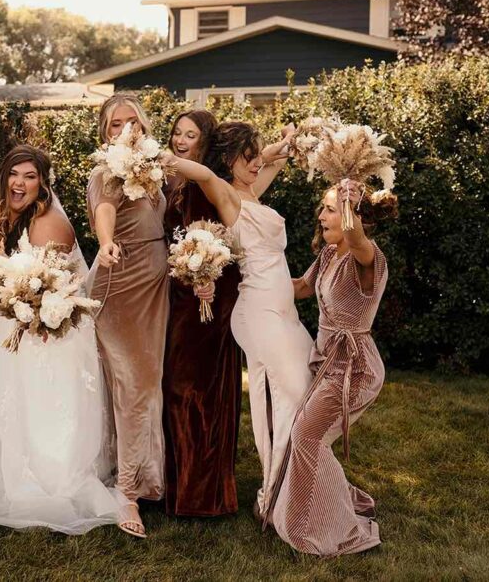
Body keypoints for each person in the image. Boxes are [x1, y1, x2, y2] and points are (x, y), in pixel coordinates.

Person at [0, 145, 123, 535]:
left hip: (44, 333)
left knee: (42, 406)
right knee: (12, 405)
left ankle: (50, 480)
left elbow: (60, 289)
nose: (20, 183)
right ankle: (12, 474)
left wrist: (29, 313)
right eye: (14, 175)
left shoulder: (50, 223)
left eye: (30, 177)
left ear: (42, 183)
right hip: (7, 327)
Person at [163, 120, 312, 520]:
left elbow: (269, 164)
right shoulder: (226, 194)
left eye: (256, 156)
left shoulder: (250, 192)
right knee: (289, 394)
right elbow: (205, 173)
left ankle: (294, 482)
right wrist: (156, 158)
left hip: (283, 310)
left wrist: (283, 145)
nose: (256, 162)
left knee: (299, 394)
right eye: (248, 157)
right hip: (258, 310)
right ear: (230, 159)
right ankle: (275, 492)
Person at [266, 181, 396, 556]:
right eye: (322, 208)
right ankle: (330, 504)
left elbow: (356, 238)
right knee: (303, 433)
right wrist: (250, 276)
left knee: (307, 437)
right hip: (326, 362)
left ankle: (322, 526)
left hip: (354, 368)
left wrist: (349, 203)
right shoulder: (327, 255)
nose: (321, 215)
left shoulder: (367, 257)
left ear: (354, 215)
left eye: (330, 209)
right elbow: (300, 288)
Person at [85, 94, 169, 538]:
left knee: (148, 383)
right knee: (133, 385)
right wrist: (105, 243)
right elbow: (104, 211)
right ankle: (127, 492)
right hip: (120, 283)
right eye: (115, 124)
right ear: (105, 132)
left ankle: (145, 476)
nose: (124, 130)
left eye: (131, 122)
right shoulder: (106, 171)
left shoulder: (154, 170)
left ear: (144, 126)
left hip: (155, 289)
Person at [162, 110, 244, 518]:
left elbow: (212, 240)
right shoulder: (181, 181)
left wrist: (203, 278)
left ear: (205, 141)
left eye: (190, 135)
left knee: (192, 388)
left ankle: (198, 494)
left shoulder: (202, 183)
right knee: (182, 386)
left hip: (203, 295)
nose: (180, 140)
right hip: (185, 292)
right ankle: (183, 485)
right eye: (177, 133)